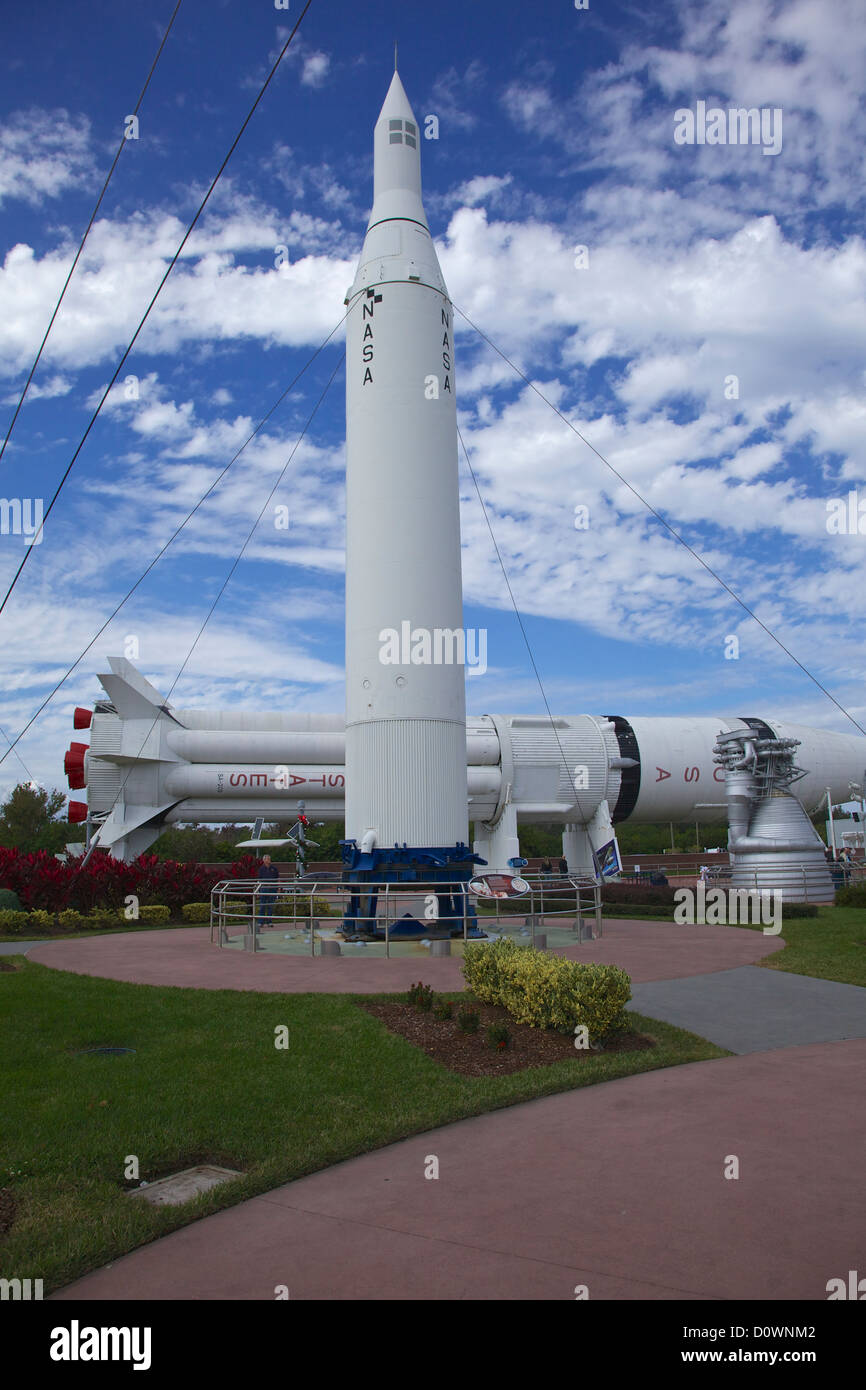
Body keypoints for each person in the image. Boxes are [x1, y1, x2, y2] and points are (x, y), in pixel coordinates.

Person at [256, 854, 280, 929]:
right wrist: (257, 891)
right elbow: (258, 880)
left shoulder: (274, 869)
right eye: (267, 859)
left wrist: (278, 888)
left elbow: (277, 879)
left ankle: (269, 921)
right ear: (264, 860)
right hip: (264, 888)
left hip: (272, 888)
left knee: (270, 906)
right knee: (262, 905)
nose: (269, 860)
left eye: (269, 858)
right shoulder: (261, 869)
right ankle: (260, 922)